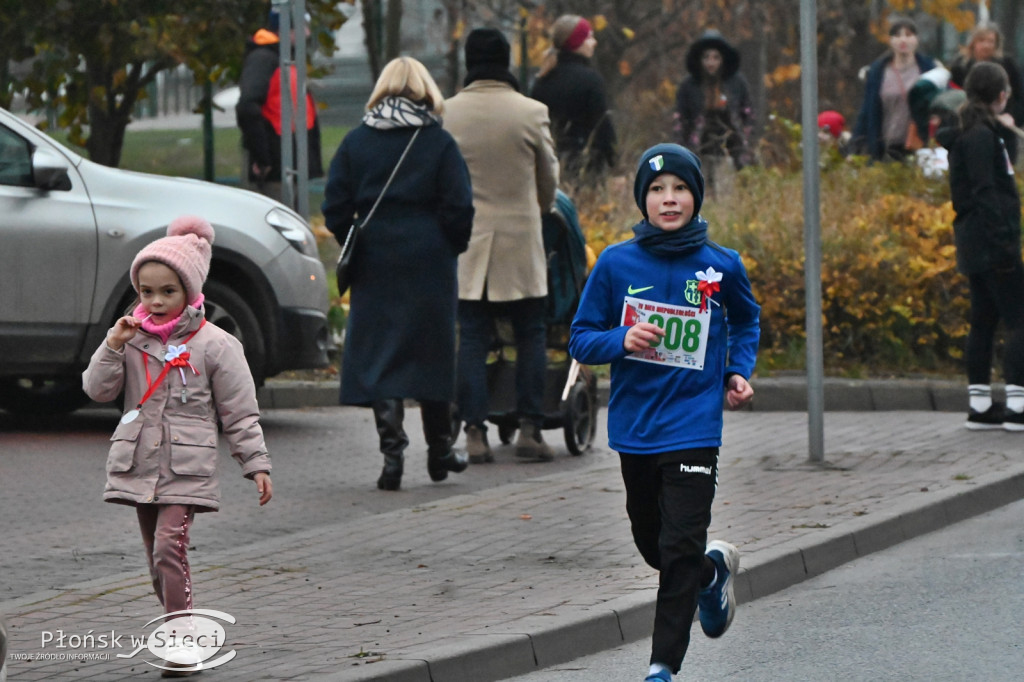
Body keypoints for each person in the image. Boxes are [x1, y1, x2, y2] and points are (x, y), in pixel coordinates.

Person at [568, 143, 760, 681]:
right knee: (656, 547)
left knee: (678, 547)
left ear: (695, 197)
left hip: (695, 424)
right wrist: (622, 338)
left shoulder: (721, 265)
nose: (669, 199)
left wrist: (736, 371)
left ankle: (661, 668)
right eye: (656, 190)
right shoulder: (615, 263)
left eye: (679, 189)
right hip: (637, 426)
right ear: (643, 199)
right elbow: (581, 339)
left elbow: (746, 320)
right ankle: (710, 576)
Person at [82, 215, 273, 675]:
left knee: (170, 547)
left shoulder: (217, 345)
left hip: (187, 467)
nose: (156, 301)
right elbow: (97, 390)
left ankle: (184, 641)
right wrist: (112, 345)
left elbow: (239, 411)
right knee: (157, 559)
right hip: (140, 464)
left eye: (168, 291)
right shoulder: (131, 338)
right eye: (147, 291)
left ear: (190, 290)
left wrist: (256, 463)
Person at [321, 57, 474, 490]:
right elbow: (460, 206)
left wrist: (356, 238)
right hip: (430, 261)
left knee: (382, 354)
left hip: (375, 261)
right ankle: (440, 452)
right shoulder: (438, 143)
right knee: (432, 353)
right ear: (426, 91)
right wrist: (449, 244)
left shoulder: (356, 141)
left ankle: (393, 458)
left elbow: (335, 206)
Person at [443, 28, 560, 463]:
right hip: (520, 243)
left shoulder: (447, 113)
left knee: (472, 337)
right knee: (531, 335)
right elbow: (548, 181)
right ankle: (530, 429)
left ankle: (474, 432)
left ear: (469, 62)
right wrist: (538, 209)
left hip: (469, 244)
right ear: (507, 60)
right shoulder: (531, 112)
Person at [936, 62, 1024, 431]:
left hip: (973, 240)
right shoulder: (982, 137)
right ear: (1001, 95)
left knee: (984, 320)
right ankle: (1018, 405)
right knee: (1019, 319)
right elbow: (987, 190)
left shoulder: (971, 132)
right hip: (992, 241)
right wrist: (1004, 240)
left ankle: (980, 403)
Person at [236, 7, 323, 204]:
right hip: (277, 170)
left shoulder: (282, 59)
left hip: (288, 167)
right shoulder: (264, 59)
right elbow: (247, 107)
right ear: (286, 29)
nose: (307, 33)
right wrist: (263, 158)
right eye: (302, 27)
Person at [530, 14, 616, 182]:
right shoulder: (591, 80)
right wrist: (612, 162)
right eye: (589, 37)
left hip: (547, 169)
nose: (594, 42)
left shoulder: (542, 80)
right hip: (586, 169)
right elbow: (602, 127)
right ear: (577, 42)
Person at [673, 31, 754, 190]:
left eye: (716, 58)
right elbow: (680, 121)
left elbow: (748, 114)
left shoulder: (736, 83)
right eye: (706, 57)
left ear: (722, 59)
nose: (711, 62)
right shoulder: (689, 85)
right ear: (700, 59)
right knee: (701, 192)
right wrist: (681, 150)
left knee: (728, 192)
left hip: (730, 151)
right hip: (698, 151)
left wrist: (746, 141)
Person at [852, 16, 937, 161]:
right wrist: (855, 146)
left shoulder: (929, 69)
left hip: (920, 146)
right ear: (890, 40)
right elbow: (867, 111)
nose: (903, 40)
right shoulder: (877, 72)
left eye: (908, 35)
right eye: (897, 35)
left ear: (916, 39)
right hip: (886, 146)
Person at [949, 22, 1024, 127]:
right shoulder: (960, 66)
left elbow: (1019, 94)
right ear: (973, 42)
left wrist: (1014, 118)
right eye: (981, 40)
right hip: (969, 122)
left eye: (991, 41)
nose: (986, 45)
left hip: (1005, 123)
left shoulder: (1008, 64)